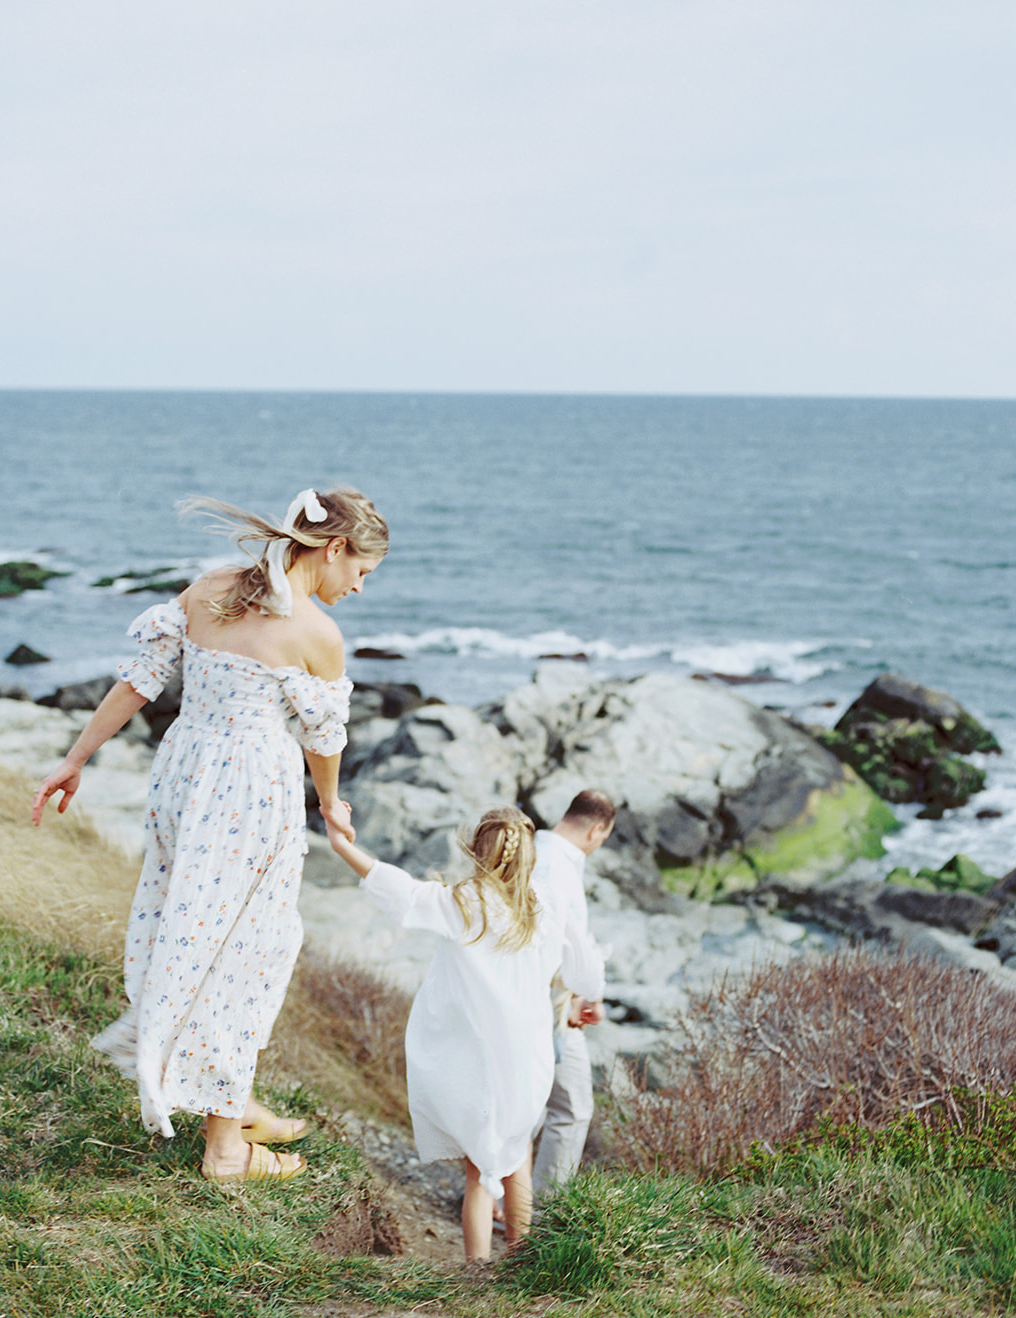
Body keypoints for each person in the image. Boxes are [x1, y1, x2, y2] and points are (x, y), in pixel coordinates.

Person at [31, 486, 388, 1183]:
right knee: (248, 954)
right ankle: (225, 1149)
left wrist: (75, 759)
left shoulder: (211, 589)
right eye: (362, 571)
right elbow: (323, 737)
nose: (359, 587)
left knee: (192, 932)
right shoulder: (317, 635)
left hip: (183, 776)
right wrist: (331, 802)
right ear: (335, 548)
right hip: (250, 793)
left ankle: (232, 1097)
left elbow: (139, 682)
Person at [324, 805, 605, 1262]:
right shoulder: (547, 904)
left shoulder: (463, 901)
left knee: (481, 1168)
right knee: (517, 1159)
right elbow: (588, 971)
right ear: (528, 857)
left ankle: (476, 1268)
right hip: (528, 1060)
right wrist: (587, 997)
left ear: (477, 852)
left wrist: (342, 845)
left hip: (478, 1059)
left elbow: (402, 892)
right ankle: (520, 1257)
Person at [530, 789, 615, 1198]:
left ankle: (496, 1198)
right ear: (597, 830)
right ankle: (542, 1213)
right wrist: (590, 995)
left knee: (527, 1100)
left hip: (524, 993)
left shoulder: (530, 849)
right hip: (551, 1004)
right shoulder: (561, 867)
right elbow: (572, 945)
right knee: (570, 1107)